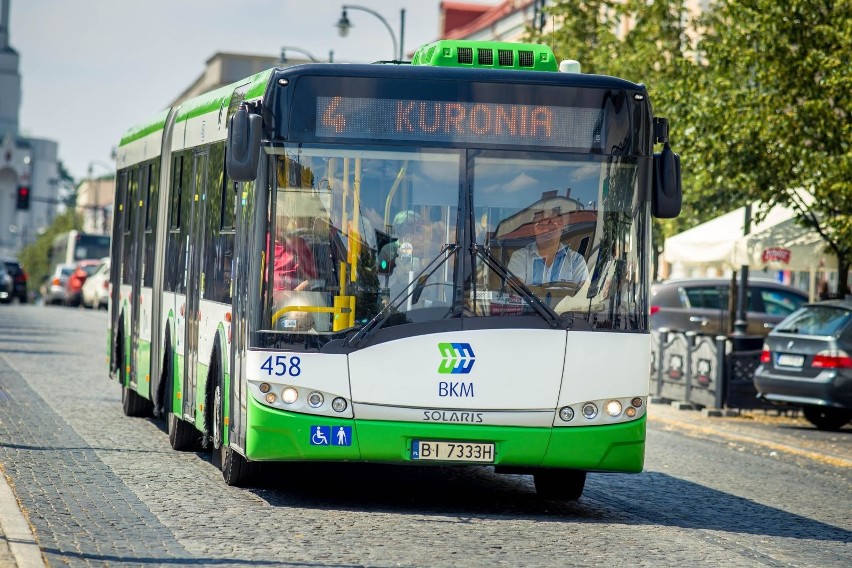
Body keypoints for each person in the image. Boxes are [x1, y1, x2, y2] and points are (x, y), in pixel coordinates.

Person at [507, 206, 588, 287]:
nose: (546, 230)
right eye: (541, 225)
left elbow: (584, 293)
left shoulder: (576, 260)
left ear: (562, 227)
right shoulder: (520, 257)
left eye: (551, 224)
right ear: (533, 229)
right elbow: (516, 293)